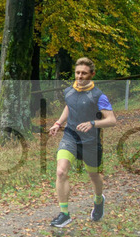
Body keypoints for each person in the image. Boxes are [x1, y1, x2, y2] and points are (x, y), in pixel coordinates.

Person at [47, 56, 117, 228]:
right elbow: (69, 106)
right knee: (61, 172)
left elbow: (112, 120)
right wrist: (58, 123)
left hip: (90, 141)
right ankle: (64, 214)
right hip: (70, 136)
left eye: (84, 73)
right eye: (77, 73)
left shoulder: (98, 96)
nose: (79, 76)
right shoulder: (69, 91)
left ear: (92, 74)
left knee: (94, 176)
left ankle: (99, 200)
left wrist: (93, 123)